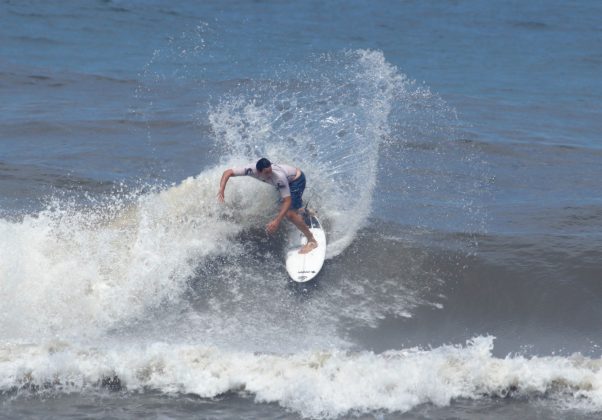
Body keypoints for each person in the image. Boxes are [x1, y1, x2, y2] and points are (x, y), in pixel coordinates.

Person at [217, 158, 318, 254]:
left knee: (289, 213)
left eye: (271, 171)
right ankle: (304, 212)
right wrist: (222, 189)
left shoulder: (278, 177)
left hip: (296, 181)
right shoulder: (250, 170)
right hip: (286, 181)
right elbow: (228, 172)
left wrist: (276, 221)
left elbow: (287, 201)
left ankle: (312, 240)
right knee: (283, 208)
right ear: (258, 171)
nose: (270, 174)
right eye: (267, 173)